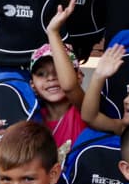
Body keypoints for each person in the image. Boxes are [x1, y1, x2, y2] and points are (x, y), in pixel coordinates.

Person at [34, 8, 88, 154]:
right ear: (32, 84)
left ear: (79, 76)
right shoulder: (31, 116)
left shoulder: (84, 110)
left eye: (58, 71)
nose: (50, 78)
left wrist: (53, 33)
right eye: (41, 74)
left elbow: (70, 87)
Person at [79, 45, 129, 135]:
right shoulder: (122, 128)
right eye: (128, 93)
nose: (126, 100)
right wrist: (98, 76)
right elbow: (89, 117)